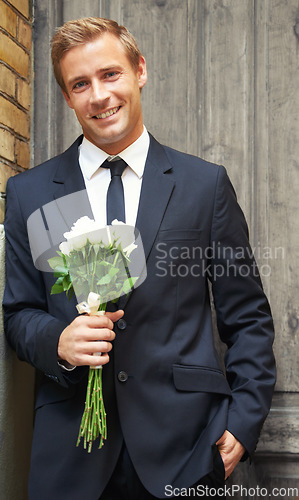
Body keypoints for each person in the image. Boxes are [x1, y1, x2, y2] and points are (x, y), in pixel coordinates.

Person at [3, 17, 276, 500]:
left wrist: (244, 420)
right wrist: (58, 341)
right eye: (80, 84)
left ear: (139, 71)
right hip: (70, 452)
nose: (99, 95)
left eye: (110, 74)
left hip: (188, 448)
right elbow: (19, 313)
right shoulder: (31, 194)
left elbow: (249, 317)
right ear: (68, 97)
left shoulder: (204, 186)